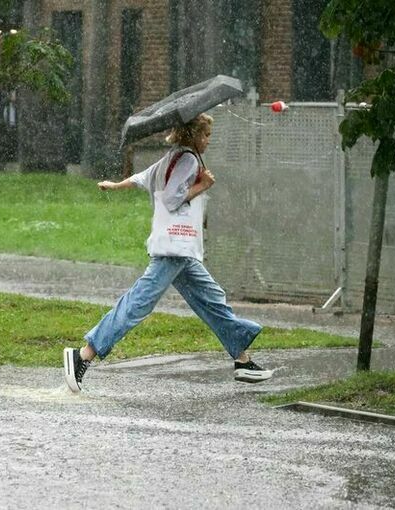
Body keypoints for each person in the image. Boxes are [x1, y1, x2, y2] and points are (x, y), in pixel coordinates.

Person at [63, 113, 273, 393]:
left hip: (181, 251)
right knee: (139, 302)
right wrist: (203, 185)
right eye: (206, 135)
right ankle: (84, 354)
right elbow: (173, 199)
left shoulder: (173, 157)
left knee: (212, 300)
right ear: (193, 135)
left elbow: (142, 178)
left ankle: (242, 361)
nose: (208, 140)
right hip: (174, 248)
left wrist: (116, 185)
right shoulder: (187, 160)